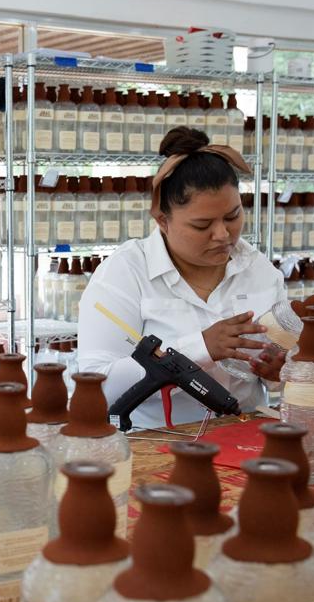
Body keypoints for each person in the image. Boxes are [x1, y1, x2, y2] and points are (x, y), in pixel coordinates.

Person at [77, 127, 286, 430]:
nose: (223, 235)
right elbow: (96, 389)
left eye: (233, 216)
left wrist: (280, 373)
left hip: (242, 436)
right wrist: (197, 348)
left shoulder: (260, 271)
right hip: (154, 443)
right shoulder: (125, 274)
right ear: (162, 220)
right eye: (202, 225)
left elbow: (289, 369)